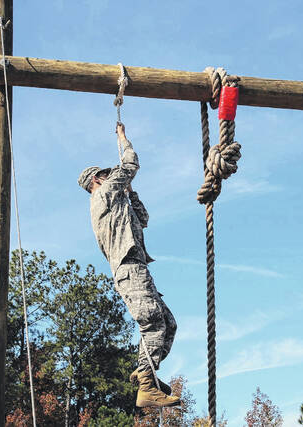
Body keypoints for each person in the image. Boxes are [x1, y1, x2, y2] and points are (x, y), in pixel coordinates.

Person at [77, 123, 179, 408]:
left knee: (168, 324)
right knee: (153, 320)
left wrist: (131, 191)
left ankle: (147, 375)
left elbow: (142, 217)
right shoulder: (103, 193)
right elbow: (131, 163)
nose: (113, 176)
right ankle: (146, 383)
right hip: (128, 268)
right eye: (108, 174)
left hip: (135, 266)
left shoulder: (114, 200)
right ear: (97, 179)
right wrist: (123, 138)